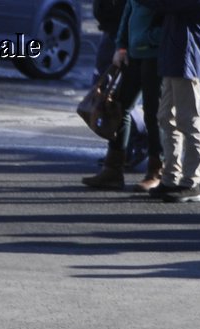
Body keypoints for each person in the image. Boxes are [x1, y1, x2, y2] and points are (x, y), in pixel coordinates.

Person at [83, 0, 163, 190]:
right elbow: (129, 11)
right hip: (133, 53)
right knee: (118, 107)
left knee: (154, 113)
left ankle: (155, 171)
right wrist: (121, 46)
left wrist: (150, 39)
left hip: (154, 55)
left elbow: (169, 20)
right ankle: (113, 169)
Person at [146, 0, 200, 203]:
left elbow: (171, 5)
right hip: (174, 50)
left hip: (188, 51)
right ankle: (170, 176)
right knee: (166, 117)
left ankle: (191, 182)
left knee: (187, 119)